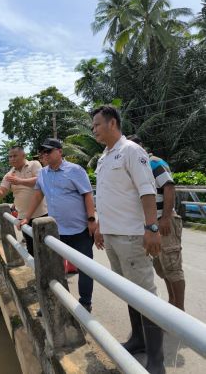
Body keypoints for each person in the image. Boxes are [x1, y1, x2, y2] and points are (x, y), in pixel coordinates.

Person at [92, 106, 164, 374]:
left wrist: (152, 228)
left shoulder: (132, 151)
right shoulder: (104, 157)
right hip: (111, 235)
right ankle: (138, 339)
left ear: (112, 123)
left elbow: (147, 190)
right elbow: (107, 195)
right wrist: (99, 225)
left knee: (145, 294)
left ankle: (156, 360)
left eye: (97, 125)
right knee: (127, 290)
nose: (94, 130)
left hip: (132, 236)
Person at [18, 138, 96, 312]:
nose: (44, 155)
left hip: (79, 230)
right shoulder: (43, 174)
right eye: (42, 152)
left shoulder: (75, 170)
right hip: (56, 232)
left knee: (85, 268)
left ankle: (85, 303)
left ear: (60, 152)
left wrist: (91, 220)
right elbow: (38, 196)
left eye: (48, 151)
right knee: (54, 269)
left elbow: (88, 195)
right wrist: (27, 218)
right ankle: (61, 301)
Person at [127, 135, 185, 311]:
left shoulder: (153, 162)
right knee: (162, 267)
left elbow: (169, 186)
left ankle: (180, 311)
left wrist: (166, 217)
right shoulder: (135, 167)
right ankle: (172, 303)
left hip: (164, 221)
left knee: (173, 266)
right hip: (152, 224)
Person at [0, 146, 47, 256]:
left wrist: (19, 181)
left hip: (42, 214)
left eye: (15, 155)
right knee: (32, 249)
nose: (12, 159)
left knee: (46, 248)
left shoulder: (35, 164)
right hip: (23, 218)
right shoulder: (9, 175)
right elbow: (1, 194)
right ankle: (39, 272)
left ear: (24, 155)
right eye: (10, 157)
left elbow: (39, 181)